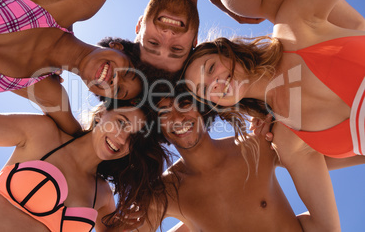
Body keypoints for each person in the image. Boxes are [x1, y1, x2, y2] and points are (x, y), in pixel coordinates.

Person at [184, 0, 364, 230]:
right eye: (204, 90)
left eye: (211, 68)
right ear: (218, 105)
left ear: (227, 50)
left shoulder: (294, 25)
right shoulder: (288, 141)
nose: (216, 83)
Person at [135, 95, 365, 231]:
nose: (178, 118)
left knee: (286, 132)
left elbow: (315, 158)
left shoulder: (254, 145)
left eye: (185, 104)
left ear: (202, 109)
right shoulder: (165, 192)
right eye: (164, 113)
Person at [0, 0, 142, 136]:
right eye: (127, 71)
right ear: (118, 47)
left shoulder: (46, 91)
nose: (115, 80)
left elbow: (79, 142)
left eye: (118, 91)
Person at [90, 0, 365, 73]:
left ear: (139, 25)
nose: (168, 37)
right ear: (194, 40)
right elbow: (354, 30)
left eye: (152, 43)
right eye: (176, 49)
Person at [0, 100, 170, 232]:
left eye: (134, 138)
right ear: (100, 114)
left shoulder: (103, 195)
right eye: (121, 123)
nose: (122, 139)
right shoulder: (42, 134)